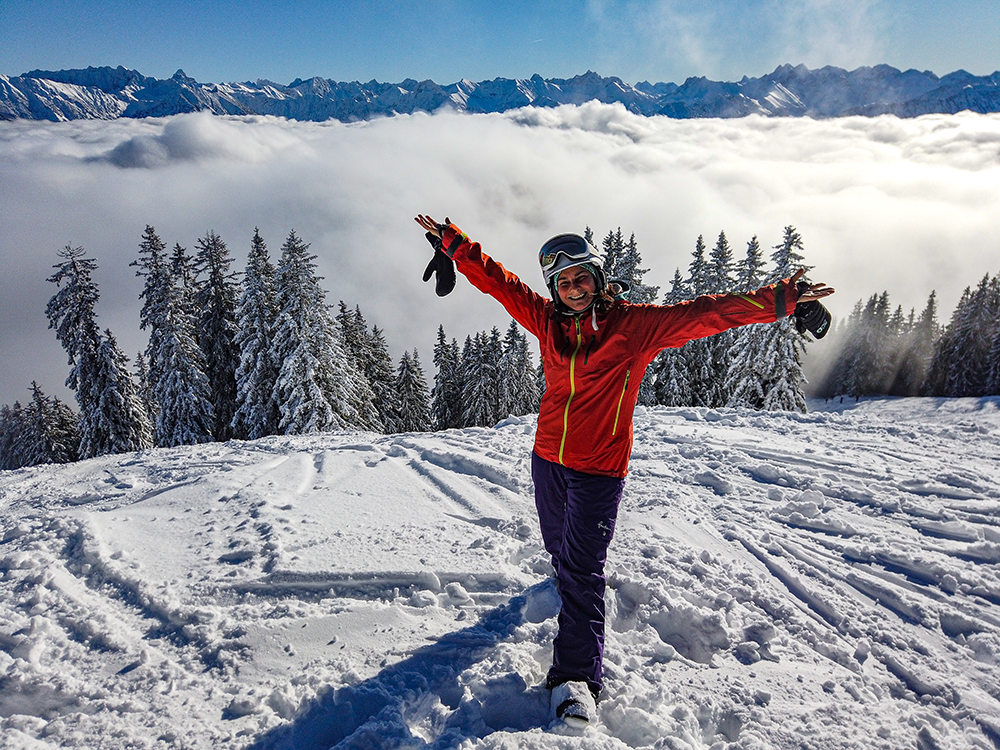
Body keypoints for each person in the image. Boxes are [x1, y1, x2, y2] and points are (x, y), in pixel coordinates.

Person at [414, 215, 834, 728]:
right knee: (559, 551)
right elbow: (502, 284)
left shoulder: (633, 328)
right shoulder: (548, 321)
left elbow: (707, 314)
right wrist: (455, 245)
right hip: (547, 459)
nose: (572, 289)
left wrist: (784, 300)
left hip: (599, 471)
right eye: (562, 282)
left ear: (598, 275)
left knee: (583, 572)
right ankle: (562, 581)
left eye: (581, 277)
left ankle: (575, 680)